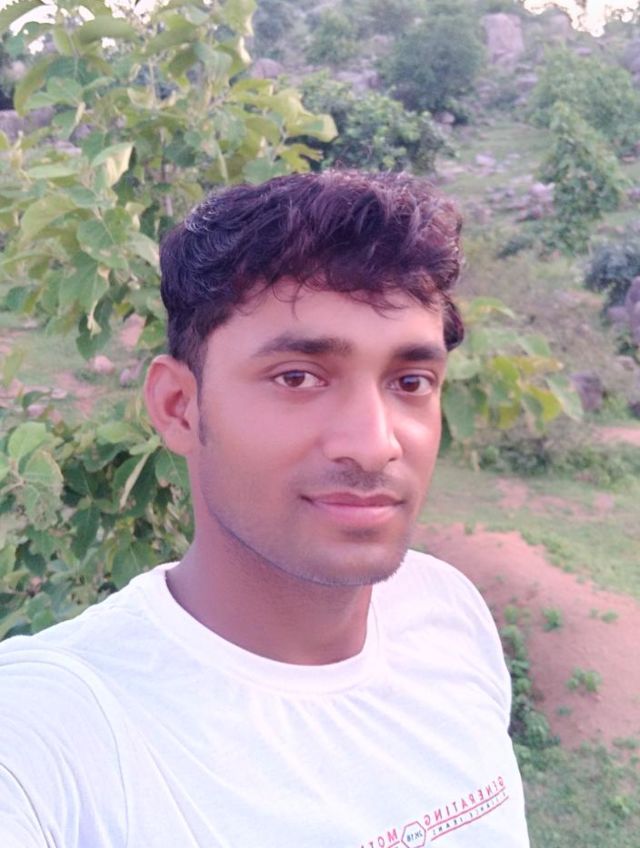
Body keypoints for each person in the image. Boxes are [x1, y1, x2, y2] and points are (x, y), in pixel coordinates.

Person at [0, 170, 530, 847]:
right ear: (179, 408)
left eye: (410, 381)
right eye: (298, 377)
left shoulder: (449, 614)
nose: (375, 444)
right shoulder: (52, 734)